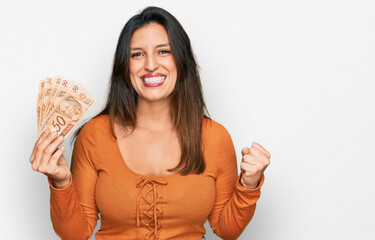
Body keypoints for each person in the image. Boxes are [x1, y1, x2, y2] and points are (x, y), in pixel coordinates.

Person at [29, 6, 271, 240]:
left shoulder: (216, 137)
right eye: (137, 54)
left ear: (181, 60)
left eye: (163, 51)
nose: (151, 65)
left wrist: (249, 184)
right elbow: (75, 234)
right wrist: (61, 182)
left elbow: (227, 230)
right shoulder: (95, 135)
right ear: (125, 67)